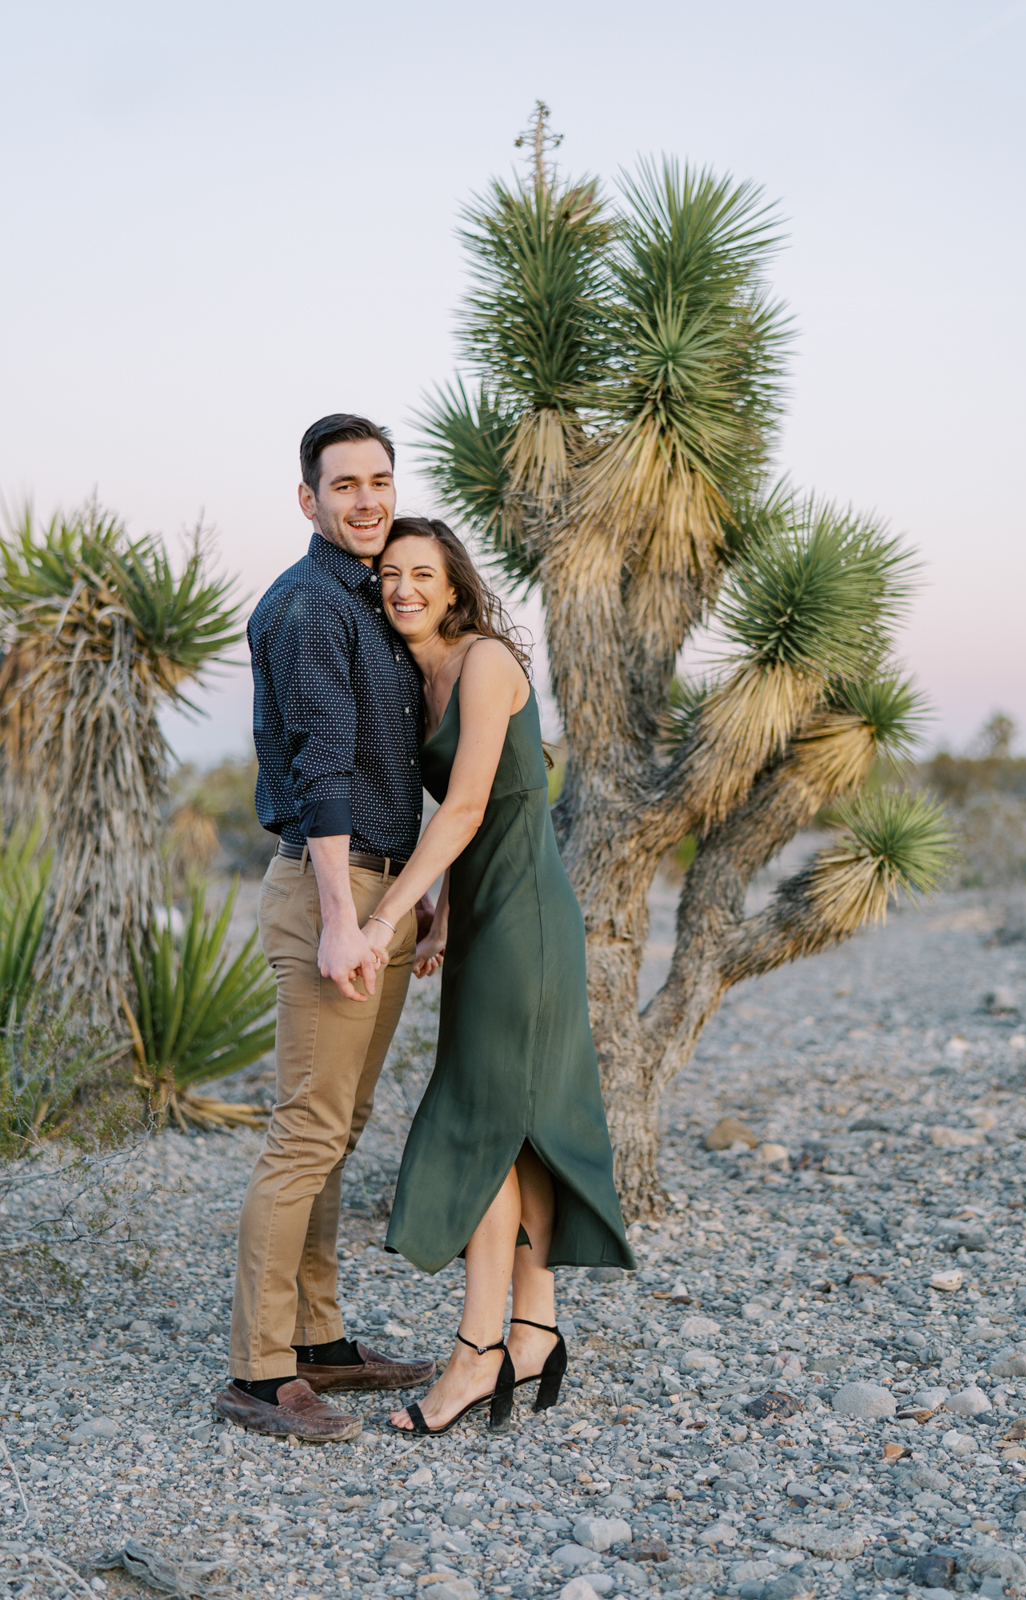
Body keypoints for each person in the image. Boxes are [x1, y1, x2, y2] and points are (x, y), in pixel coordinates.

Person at [356, 516, 634, 1438]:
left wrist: (388, 913)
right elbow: (469, 820)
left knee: (479, 1120)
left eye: (421, 573)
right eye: (390, 573)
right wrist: (439, 912)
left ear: (455, 583)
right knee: (511, 1131)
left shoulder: (482, 664)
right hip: (484, 915)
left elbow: (473, 803)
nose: (403, 587)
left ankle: (476, 1355)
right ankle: (532, 1332)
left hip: (528, 922)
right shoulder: (419, 676)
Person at [215, 416, 443, 1444]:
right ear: (307, 498)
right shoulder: (311, 605)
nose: (365, 499)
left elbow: (391, 764)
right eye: (344, 483)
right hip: (331, 892)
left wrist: (413, 888)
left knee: (336, 1128)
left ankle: (317, 1339)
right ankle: (261, 1375)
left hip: (374, 886)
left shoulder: (367, 599)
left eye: (380, 481)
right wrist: (347, 918)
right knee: (307, 1131)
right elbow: (321, 768)